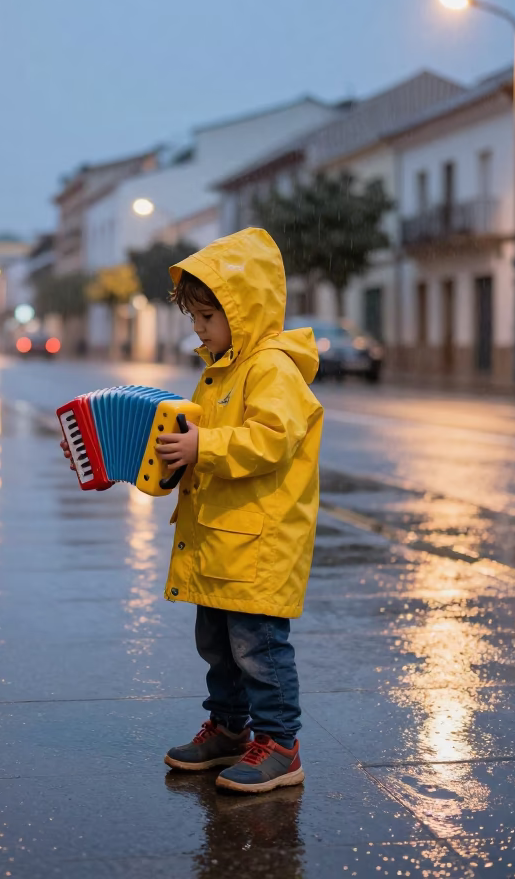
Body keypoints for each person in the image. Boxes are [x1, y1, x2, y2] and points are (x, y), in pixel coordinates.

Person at [64, 228, 323, 794]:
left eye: (209, 316)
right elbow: (185, 440)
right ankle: (230, 729)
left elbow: (272, 438)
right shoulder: (220, 369)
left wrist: (203, 447)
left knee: (258, 646)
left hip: (258, 541)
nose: (200, 329)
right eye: (196, 318)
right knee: (217, 645)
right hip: (216, 537)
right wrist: (117, 459)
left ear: (243, 309)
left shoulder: (272, 368)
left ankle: (281, 744)